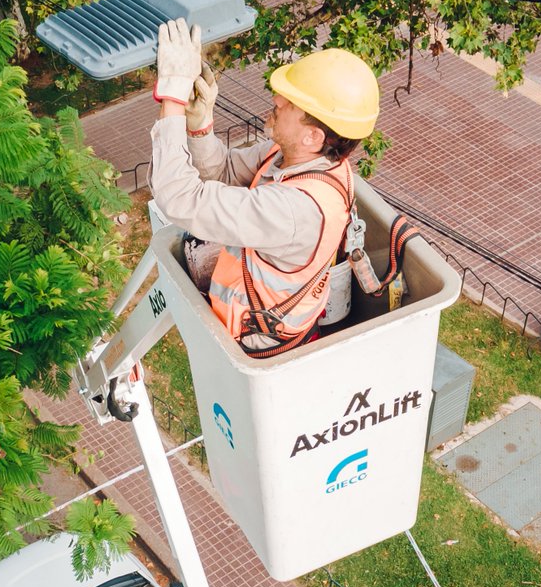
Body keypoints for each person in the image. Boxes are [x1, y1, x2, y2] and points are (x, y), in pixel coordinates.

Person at [149, 18, 380, 356]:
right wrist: (198, 126)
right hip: (273, 321)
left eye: (291, 102)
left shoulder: (292, 212)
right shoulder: (301, 159)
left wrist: (172, 98)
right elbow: (224, 173)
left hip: (255, 342)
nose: (277, 99)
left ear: (313, 136)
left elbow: (180, 199)